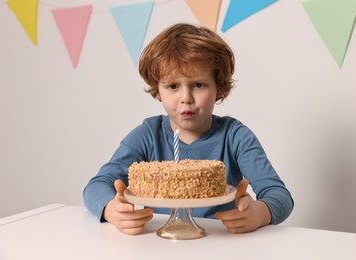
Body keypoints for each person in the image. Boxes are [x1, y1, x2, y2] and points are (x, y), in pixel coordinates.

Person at [83, 23, 293, 235]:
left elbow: (278, 194)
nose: (186, 98)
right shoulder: (148, 135)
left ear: (218, 88)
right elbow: (97, 185)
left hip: (222, 244)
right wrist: (111, 209)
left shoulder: (236, 137)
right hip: (159, 244)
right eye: (173, 86)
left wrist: (261, 213)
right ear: (158, 91)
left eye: (199, 85)